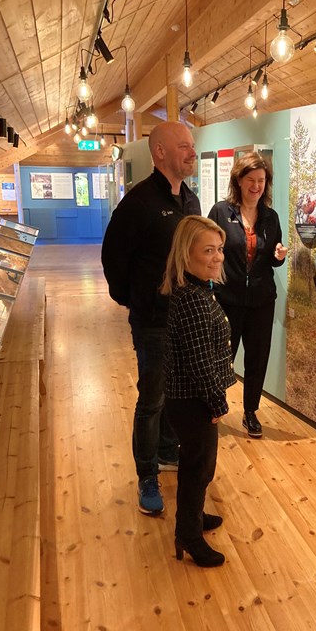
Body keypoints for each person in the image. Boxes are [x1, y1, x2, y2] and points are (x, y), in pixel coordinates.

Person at [101, 122, 200, 516]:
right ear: (159, 152)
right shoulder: (138, 203)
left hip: (185, 318)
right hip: (153, 321)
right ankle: (146, 475)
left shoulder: (190, 202)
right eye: (184, 146)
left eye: (193, 146)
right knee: (153, 397)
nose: (191, 152)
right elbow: (113, 258)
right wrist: (132, 300)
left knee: (177, 392)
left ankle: (165, 450)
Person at [161, 215, 235, 567]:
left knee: (201, 466)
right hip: (193, 399)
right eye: (208, 250)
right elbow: (199, 361)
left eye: (219, 249)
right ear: (185, 253)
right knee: (197, 466)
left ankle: (194, 517)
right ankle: (188, 534)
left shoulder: (198, 289)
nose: (218, 257)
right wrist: (217, 400)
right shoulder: (191, 299)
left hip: (194, 397)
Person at [208, 152, 287, 439]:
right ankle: (213, 408)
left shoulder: (270, 217)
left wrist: (278, 257)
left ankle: (250, 411)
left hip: (262, 301)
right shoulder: (220, 212)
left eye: (262, 181)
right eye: (251, 180)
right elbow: (207, 249)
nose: (256, 186)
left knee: (257, 358)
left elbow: (271, 259)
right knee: (221, 357)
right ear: (239, 181)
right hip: (227, 300)